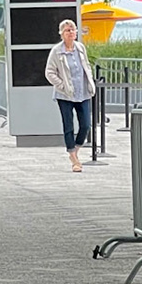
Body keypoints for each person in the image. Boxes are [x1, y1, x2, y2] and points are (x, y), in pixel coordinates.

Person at [45, 18, 97, 173]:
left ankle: (75, 150)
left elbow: (86, 66)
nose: (71, 32)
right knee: (68, 126)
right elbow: (49, 72)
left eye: (73, 29)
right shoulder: (56, 51)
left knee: (85, 125)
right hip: (65, 95)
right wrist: (62, 85)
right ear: (61, 33)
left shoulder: (80, 48)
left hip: (83, 92)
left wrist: (90, 82)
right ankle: (74, 159)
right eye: (67, 30)